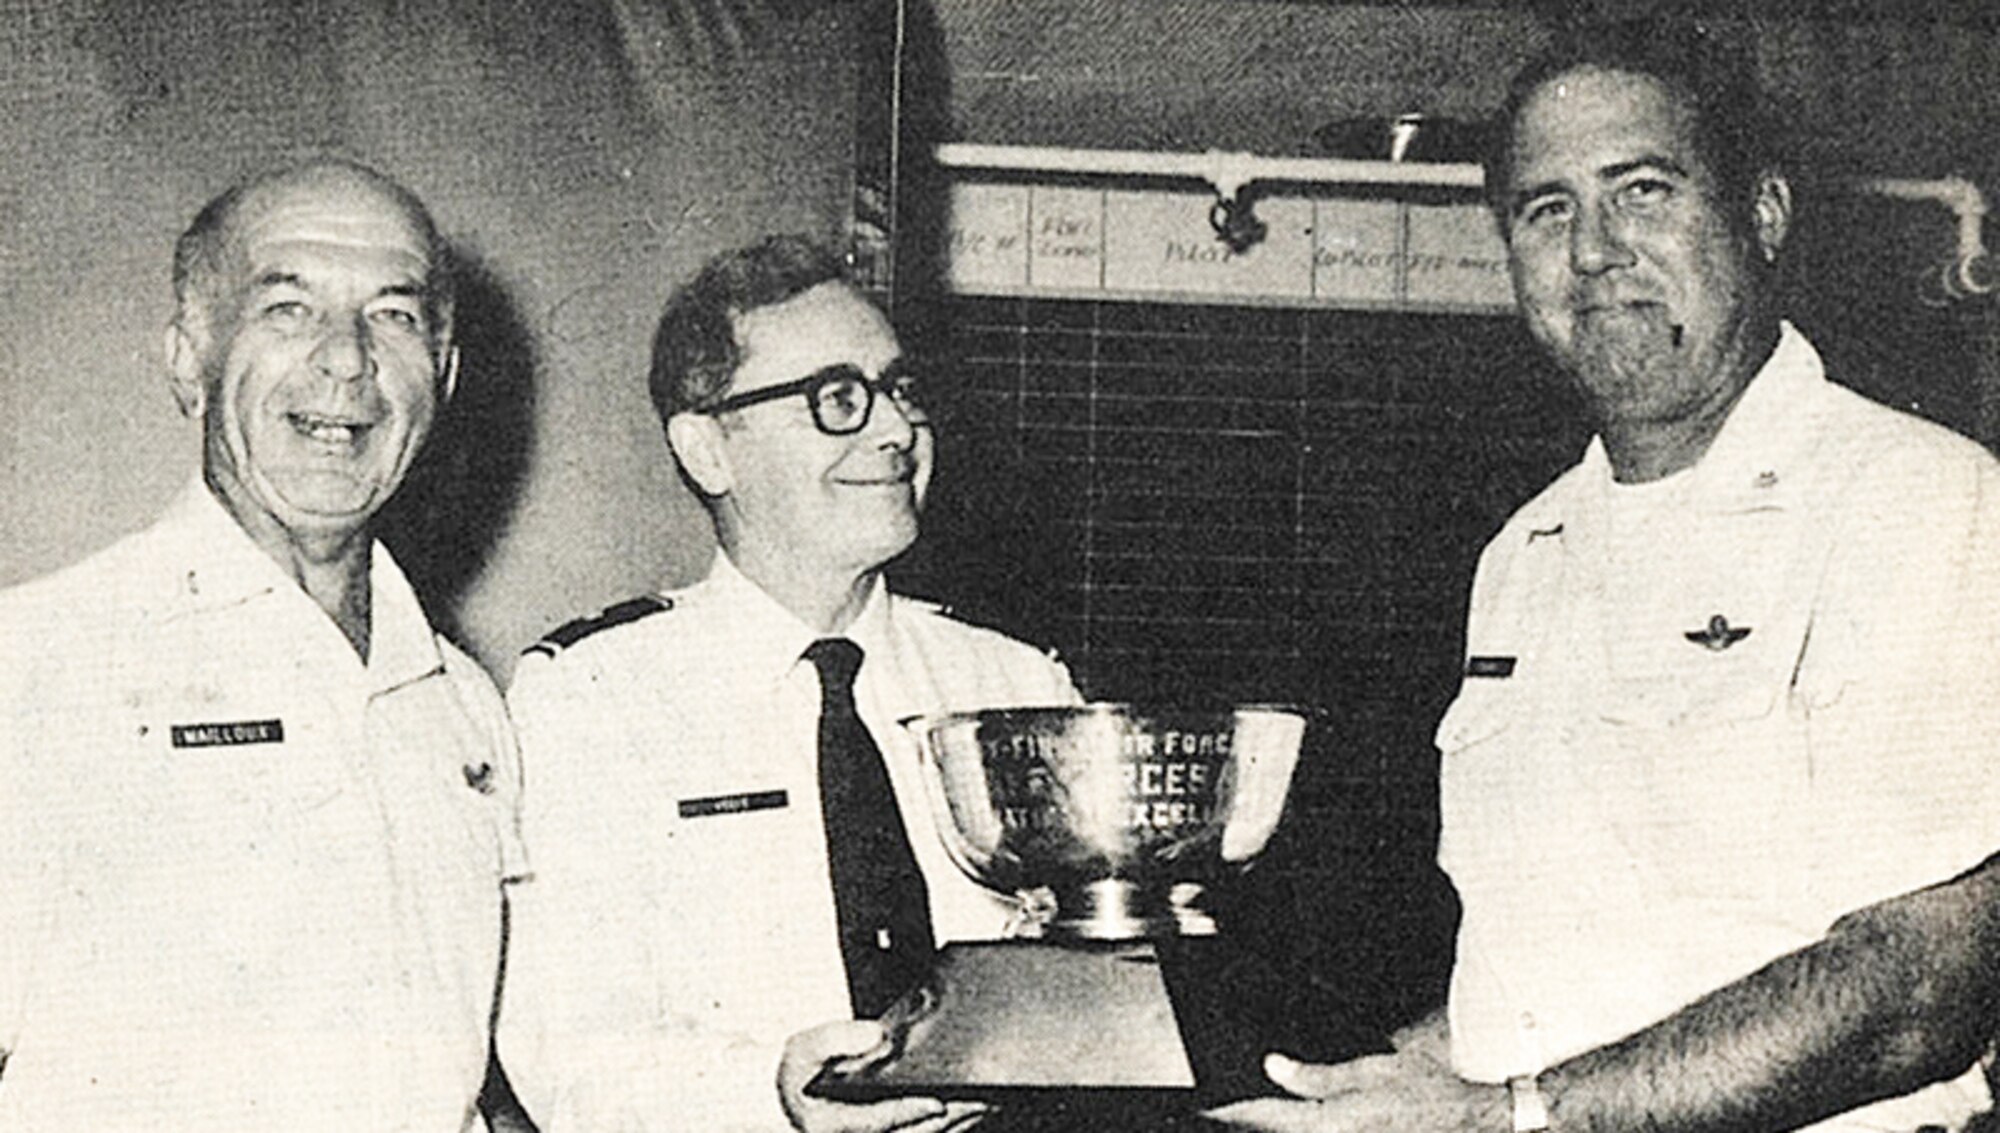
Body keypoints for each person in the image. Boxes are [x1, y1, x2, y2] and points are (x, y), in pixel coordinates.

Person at [1215, 21, 2000, 1133]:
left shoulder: (1912, 499)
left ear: (1759, 216)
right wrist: (1368, 1088)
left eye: (1640, 191)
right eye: (1545, 210)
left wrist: (1508, 1112)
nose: (1591, 250)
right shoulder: (1524, 553)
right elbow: (1563, 979)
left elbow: (1917, 985)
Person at [496, 234, 1081, 1132]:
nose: (896, 431)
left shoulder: (1015, 682)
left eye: (902, 391)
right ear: (708, 450)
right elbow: (570, 1051)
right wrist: (769, 1093)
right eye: (838, 399)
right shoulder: (592, 699)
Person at [0, 157, 523, 1129]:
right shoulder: (35, 664)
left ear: (442, 378)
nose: (346, 358)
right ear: (187, 355)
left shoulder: (461, 700)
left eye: (395, 315)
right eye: (287, 308)